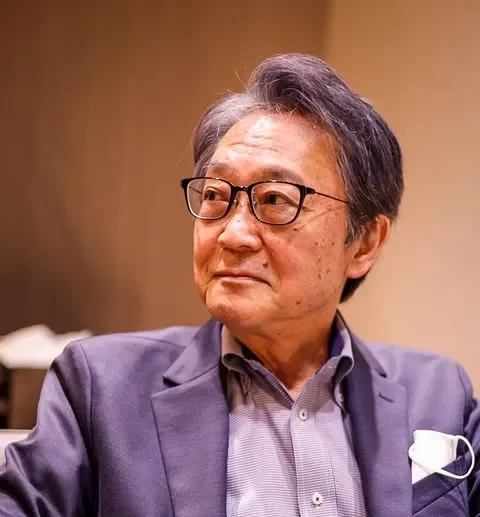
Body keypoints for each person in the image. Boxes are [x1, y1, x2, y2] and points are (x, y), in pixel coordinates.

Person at [0, 53, 478, 517]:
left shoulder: (438, 395)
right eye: (216, 194)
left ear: (365, 242)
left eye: (275, 199)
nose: (233, 235)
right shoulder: (100, 389)